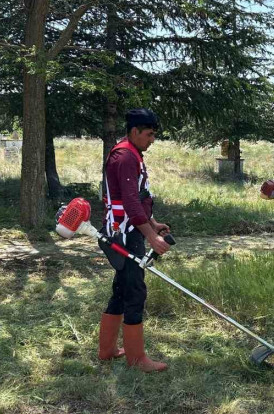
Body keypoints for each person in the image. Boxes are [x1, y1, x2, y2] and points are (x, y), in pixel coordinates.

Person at [97, 108, 172, 373]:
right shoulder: (125, 156)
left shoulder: (132, 154)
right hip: (125, 235)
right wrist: (152, 237)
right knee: (135, 291)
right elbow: (130, 202)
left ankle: (106, 350)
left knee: (122, 288)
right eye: (149, 134)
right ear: (135, 131)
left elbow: (138, 197)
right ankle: (137, 358)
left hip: (130, 231)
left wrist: (152, 223)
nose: (152, 139)